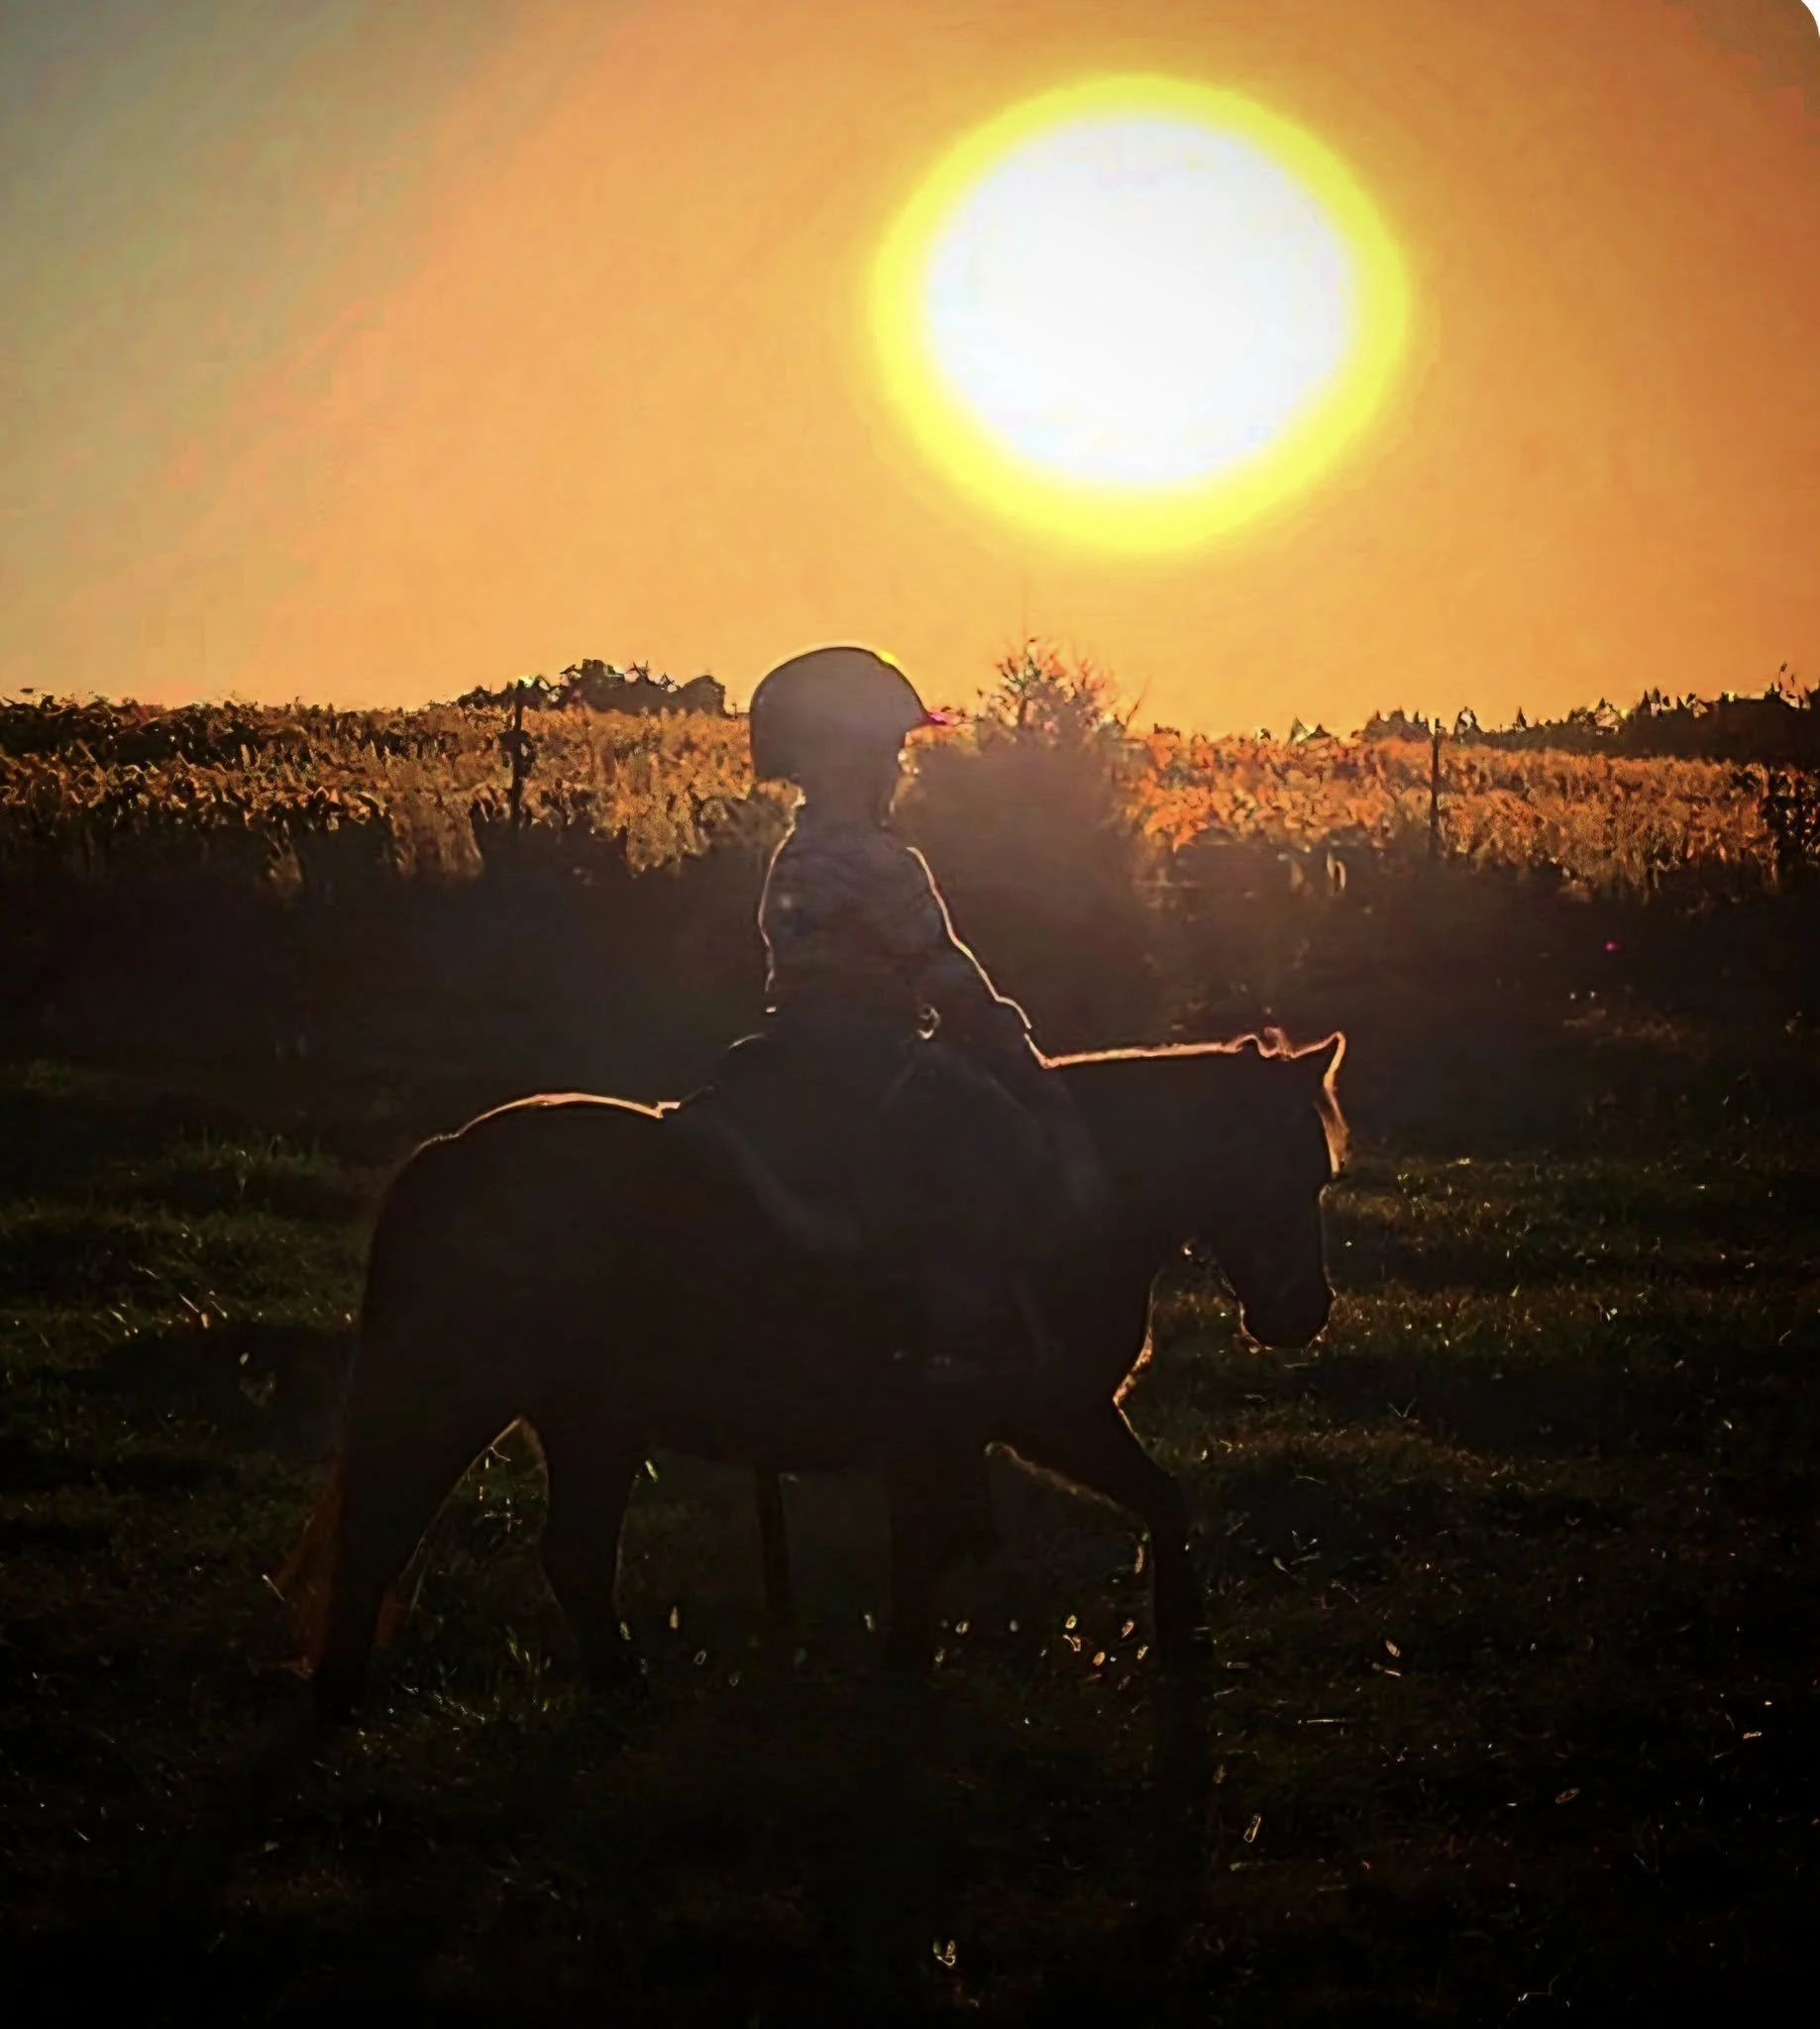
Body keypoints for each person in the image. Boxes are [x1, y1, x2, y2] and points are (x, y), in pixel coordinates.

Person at [675, 643, 1105, 1378]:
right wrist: (1012, 1043)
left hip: (792, 1041)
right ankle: (950, 1341)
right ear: (853, 760)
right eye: (890, 753)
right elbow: (943, 969)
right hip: (872, 1051)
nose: (899, 770)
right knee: (1003, 1140)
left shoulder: (795, 852)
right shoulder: (882, 862)